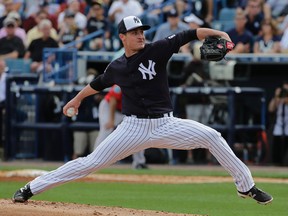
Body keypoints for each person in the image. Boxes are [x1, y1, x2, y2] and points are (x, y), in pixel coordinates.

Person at [12, 15, 273, 205]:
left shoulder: (157, 50)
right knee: (89, 163)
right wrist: (76, 100)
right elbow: (97, 84)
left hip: (166, 124)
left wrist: (221, 34)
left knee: (213, 137)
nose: (140, 35)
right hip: (133, 128)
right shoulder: (116, 67)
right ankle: (31, 188)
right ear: (122, 37)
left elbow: (190, 34)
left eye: (142, 31)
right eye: (134, 32)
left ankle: (246, 186)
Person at [94, 84, 148, 169]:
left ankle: (139, 162)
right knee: (106, 131)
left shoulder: (142, 85)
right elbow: (113, 100)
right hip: (109, 107)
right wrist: (111, 120)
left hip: (126, 110)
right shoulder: (121, 84)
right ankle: (94, 161)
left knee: (138, 133)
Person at [268, 81, 288, 166]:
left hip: (287, 124)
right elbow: (271, 109)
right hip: (279, 124)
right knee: (276, 144)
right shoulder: (278, 99)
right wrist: (277, 96)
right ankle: (276, 163)